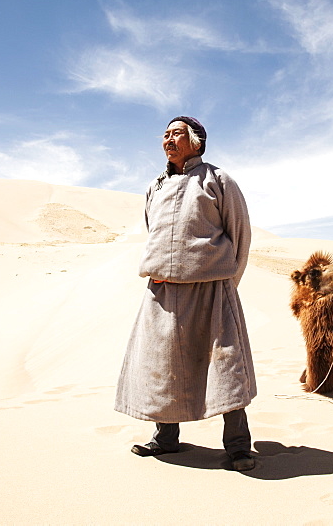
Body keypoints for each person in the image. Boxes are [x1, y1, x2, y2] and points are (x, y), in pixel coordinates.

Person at [114, 116, 257, 472]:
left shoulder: (219, 181)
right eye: (165, 133)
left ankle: (239, 447)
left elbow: (240, 237)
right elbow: (154, 233)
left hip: (211, 291)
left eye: (177, 133)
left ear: (196, 142)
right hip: (162, 295)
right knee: (163, 368)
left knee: (226, 368)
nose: (168, 139)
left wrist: (224, 284)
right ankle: (165, 440)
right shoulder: (155, 187)